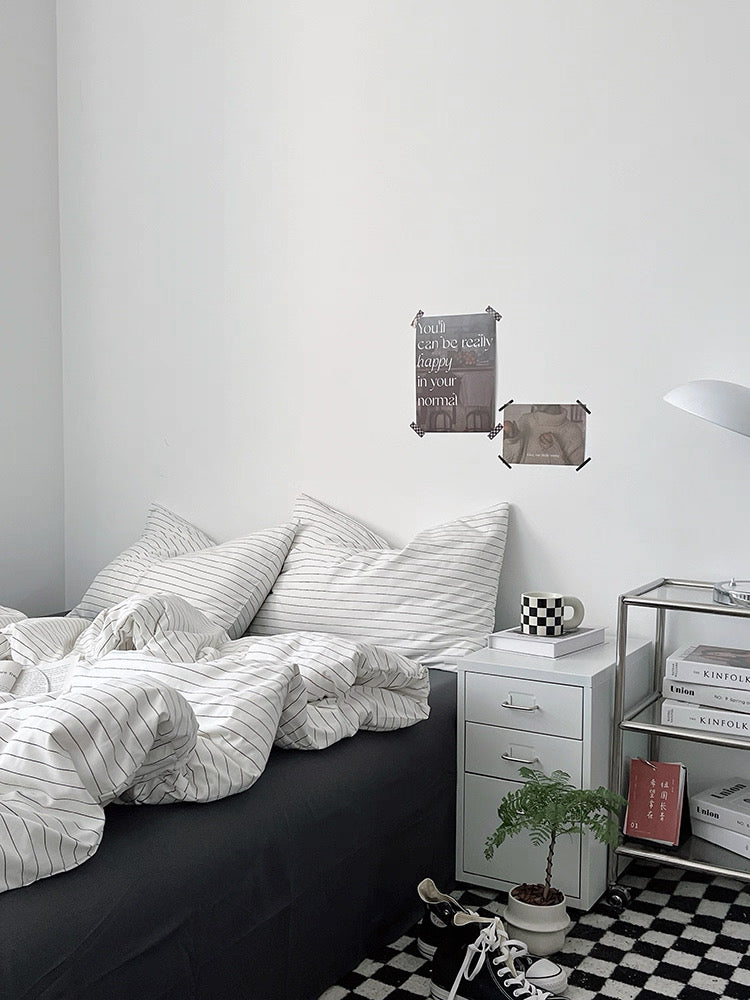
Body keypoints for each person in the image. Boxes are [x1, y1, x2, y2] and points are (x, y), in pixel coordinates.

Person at [503, 404, 585, 466]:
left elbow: (578, 476)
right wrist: (511, 440)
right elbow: (504, 465)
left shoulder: (573, 431)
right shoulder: (525, 419)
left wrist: (554, 451)